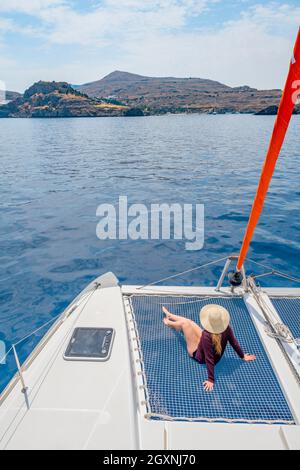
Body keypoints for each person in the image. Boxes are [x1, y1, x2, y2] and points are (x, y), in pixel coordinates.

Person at [162, 304, 256, 392]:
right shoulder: (226, 328)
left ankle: (168, 323)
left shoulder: (207, 335)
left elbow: (209, 357)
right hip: (208, 349)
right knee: (190, 322)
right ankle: (170, 316)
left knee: (185, 324)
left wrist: (211, 379)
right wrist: (242, 356)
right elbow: (234, 343)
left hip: (197, 354)